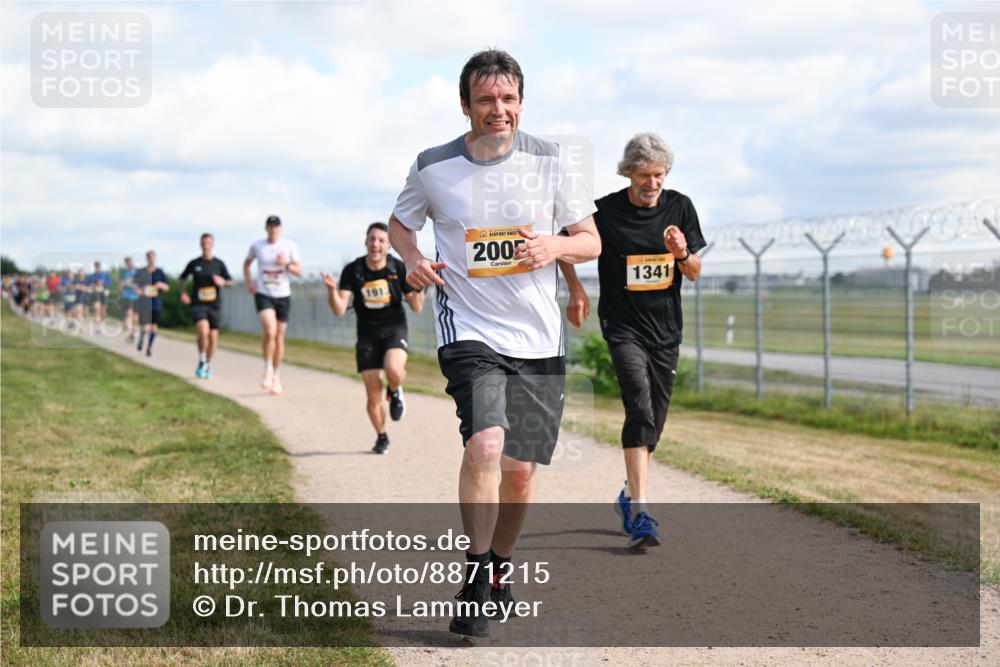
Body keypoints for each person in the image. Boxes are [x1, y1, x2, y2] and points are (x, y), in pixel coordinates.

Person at [388, 49, 600, 638]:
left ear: (521, 103)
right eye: (486, 100)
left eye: (508, 99)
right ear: (465, 105)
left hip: (537, 337)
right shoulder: (433, 167)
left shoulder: (551, 163)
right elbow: (402, 225)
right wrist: (411, 260)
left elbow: (591, 241)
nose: (497, 110)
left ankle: (501, 570)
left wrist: (553, 249)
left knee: (522, 471)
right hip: (469, 328)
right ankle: (476, 570)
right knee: (485, 445)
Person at [560, 132, 706, 549]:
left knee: (654, 421)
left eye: (659, 175)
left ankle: (627, 493)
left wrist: (681, 253)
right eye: (644, 175)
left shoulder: (680, 207)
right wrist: (576, 289)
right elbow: (566, 242)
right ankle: (642, 511)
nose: (652, 183)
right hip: (623, 328)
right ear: (629, 173)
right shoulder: (605, 211)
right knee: (638, 404)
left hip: (666, 331)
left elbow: (694, 271)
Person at [321, 222, 424, 454]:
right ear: (365, 242)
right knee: (373, 390)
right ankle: (381, 436)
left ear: (388, 245)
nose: (376, 244)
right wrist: (331, 290)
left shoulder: (398, 268)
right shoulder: (353, 270)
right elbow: (339, 309)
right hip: (367, 334)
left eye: (381, 240)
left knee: (394, 371)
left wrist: (421, 286)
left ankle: (396, 390)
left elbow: (416, 306)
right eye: (372, 239)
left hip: (394, 328)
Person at [243, 215, 302, 396]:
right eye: (270, 226)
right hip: (263, 293)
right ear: (266, 228)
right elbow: (247, 264)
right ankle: (267, 368)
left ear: (280, 228)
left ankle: (276, 376)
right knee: (270, 330)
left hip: (283, 295)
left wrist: (286, 264)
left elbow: (298, 271)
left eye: (276, 226)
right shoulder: (258, 246)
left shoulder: (289, 246)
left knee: (279, 337)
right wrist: (249, 282)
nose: (273, 229)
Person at [179, 233, 234, 379]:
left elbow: (230, 282)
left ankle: (207, 364)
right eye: (203, 243)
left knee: (214, 337)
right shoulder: (195, 263)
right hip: (199, 303)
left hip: (214, 305)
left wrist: (223, 282)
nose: (206, 245)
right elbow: (182, 278)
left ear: (213, 244)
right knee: (203, 331)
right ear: (200, 244)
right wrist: (183, 293)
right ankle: (202, 358)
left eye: (208, 242)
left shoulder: (219, 264)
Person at [135, 250, 170, 357]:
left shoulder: (160, 272)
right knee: (145, 327)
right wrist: (139, 290)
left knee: (154, 327)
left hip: (155, 304)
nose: (151, 259)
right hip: (144, 303)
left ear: (155, 258)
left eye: (152, 257)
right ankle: (141, 338)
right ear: (146, 258)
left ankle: (149, 347)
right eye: (149, 257)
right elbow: (134, 284)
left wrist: (161, 285)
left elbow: (167, 287)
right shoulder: (141, 272)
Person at [120, 257, 140, 343]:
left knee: (135, 318)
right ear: (126, 264)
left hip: (137, 297)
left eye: (131, 262)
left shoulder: (138, 272)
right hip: (127, 296)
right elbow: (121, 286)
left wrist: (131, 284)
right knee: (129, 314)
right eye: (128, 262)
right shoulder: (124, 273)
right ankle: (129, 335)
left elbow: (140, 284)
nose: (130, 264)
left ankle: (132, 332)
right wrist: (124, 285)